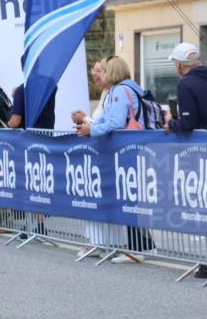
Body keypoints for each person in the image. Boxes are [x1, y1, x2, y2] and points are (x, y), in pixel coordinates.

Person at [77, 55, 157, 263]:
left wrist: (92, 129)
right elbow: (107, 119)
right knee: (131, 198)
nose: (101, 72)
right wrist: (91, 124)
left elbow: (114, 122)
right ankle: (142, 246)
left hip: (128, 151)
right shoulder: (130, 88)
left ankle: (139, 248)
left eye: (105, 69)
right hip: (134, 149)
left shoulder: (120, 91)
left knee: (131, 198)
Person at [166, 43, 207, 278]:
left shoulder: (186, 83)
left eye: (175, 63)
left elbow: (189, 124)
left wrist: (172, 123)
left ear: (180, 64)